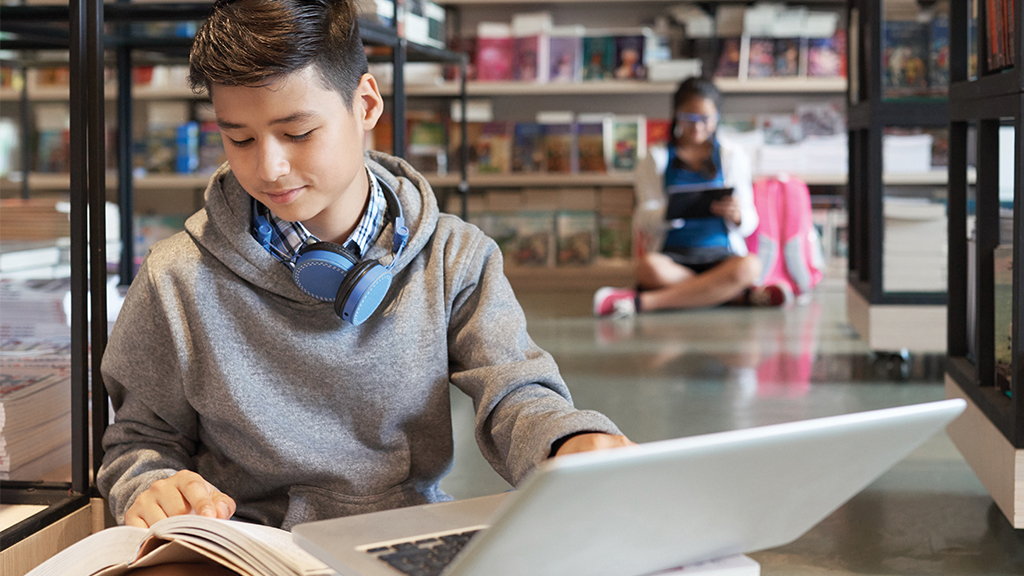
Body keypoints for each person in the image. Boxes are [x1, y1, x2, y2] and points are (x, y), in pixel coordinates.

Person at [97, 0, 633, 537]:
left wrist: (570, 441)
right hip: (248, 548)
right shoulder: (175, 276)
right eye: (239, 138)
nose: (269, 167)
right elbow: (139, 441)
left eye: (299, 132)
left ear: (367, 105)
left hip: (402, 537)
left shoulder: (454, 257)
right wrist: (150, 485)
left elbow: (514, 392)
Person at [593, 77, 789, 318]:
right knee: (648, 268)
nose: (697, 127)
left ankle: (644, 302)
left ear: (717, 117)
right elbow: (643, 220)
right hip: (674, 255)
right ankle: (733, 294)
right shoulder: (655, 157)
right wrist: (672, 210)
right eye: (689, 118)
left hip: (720, 255)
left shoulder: (732, 156)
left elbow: (750, 223)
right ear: (676, 115)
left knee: (750, 265)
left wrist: (738, 216)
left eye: (705, 119)